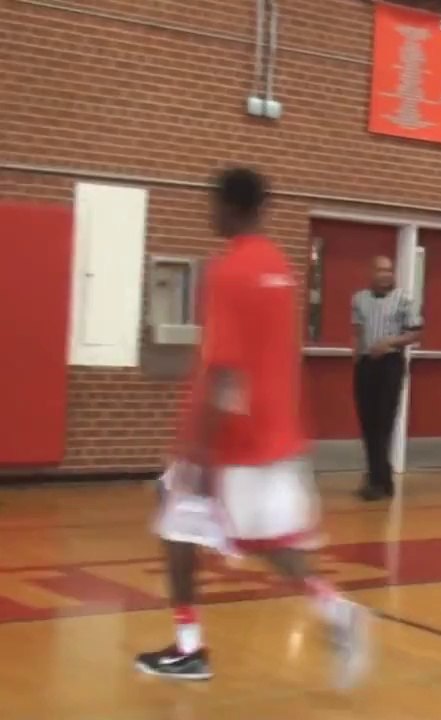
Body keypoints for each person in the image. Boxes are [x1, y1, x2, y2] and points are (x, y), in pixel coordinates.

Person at [139, 168, 369, 686]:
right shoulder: (281, 268)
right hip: (276, 434)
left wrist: (196, 452)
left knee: (176, 528)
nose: (208, 213)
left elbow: (224, 370)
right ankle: (335, 609)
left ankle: (189, 647)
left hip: (229, 440)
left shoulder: (230, 271)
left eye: (212, 204)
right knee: (269, 544)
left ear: (229, 207)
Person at [350, 257, 422, 500]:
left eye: (388, 270)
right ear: (372, 272)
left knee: (383, 422)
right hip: (365, 364)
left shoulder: (404, 299)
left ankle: (378, 481)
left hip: (390, 364)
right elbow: (358, 332)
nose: (384, 274)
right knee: (367, 423)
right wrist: (357, 359)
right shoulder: (359, 299)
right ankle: (379, 475)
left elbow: (415, 333)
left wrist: (390, 342)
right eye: (380, 270)